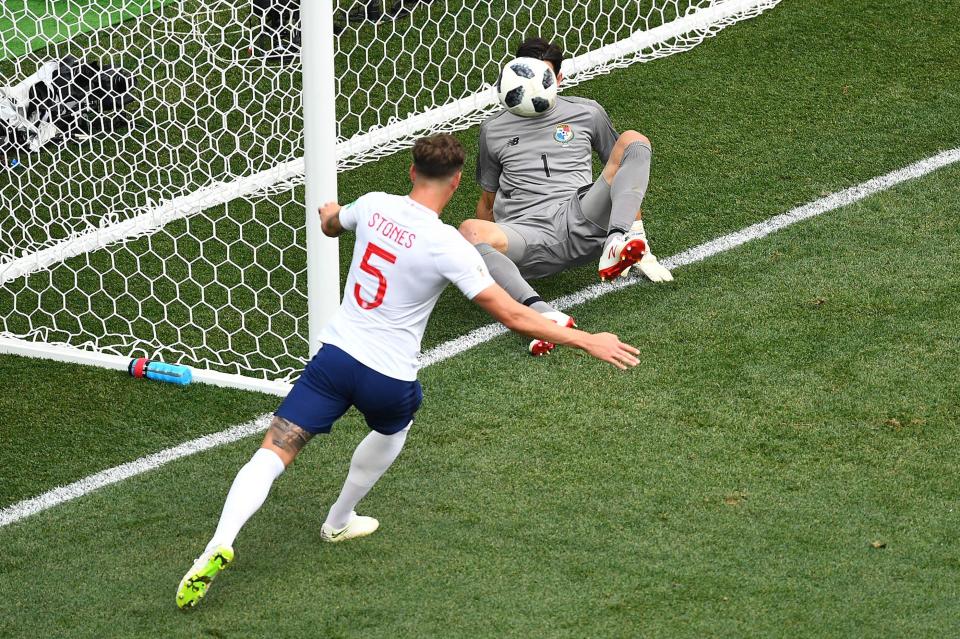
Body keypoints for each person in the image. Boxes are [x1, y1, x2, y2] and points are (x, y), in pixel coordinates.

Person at [175, 134, 639, 609]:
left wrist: (331, 214)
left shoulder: (375, 205)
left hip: (334, 361)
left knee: (273, 452)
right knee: (395, 427)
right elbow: (515, 315)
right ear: (456, 182)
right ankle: (339, 519)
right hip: (388, 378)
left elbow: (333, 223)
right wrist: (589, 340)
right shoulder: (449, 247)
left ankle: (219, 543)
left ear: (412, 171)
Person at [459, 36, 674, 357]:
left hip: (583, 221)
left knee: (633, 141)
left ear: (558, 78)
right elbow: (487, 202)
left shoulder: (587, 113)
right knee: (470, 229)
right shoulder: (493, 130)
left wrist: (638, 239)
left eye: (543, 79)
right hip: (527, 237)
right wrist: (479, 259)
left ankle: (618, 243)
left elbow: (622, 171)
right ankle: (542, 313)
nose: (532, 89)